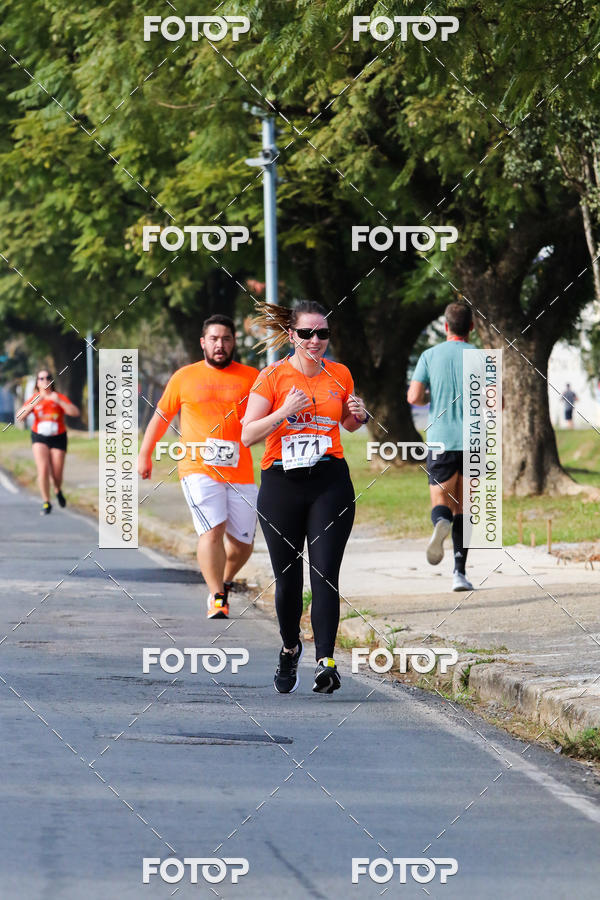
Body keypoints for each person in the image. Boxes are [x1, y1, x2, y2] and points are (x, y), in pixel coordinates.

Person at [242, 300, 368, 695]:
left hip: (329, 480)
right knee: (288, 580)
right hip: (282, 482)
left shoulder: (340, 373)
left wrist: (358, 415)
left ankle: (326, 661)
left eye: (323, 333)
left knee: (325, 573)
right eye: (308, 333)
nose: (316, 340)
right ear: (292, 335)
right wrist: (284, 411)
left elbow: (345, 424)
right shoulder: (272, 377)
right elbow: (247, 435)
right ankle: (290, 646)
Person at [137, 315, 259, 619]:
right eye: (214, 339)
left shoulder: (252, 377)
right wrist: (144, 454)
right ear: (203, 342)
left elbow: (267, 418)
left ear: (233, 342)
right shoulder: (184, 377)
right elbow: (162, 417)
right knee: (212, 529)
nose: (220, 345)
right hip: (197, 468)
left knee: (243, 544)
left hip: (240, 470)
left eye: (226, 339)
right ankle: (217, 596)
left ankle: (224, 581)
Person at [407, 302, 477, 592]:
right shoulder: (479, 356)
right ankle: (459, 573)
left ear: (446, 327)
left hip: (440, 438)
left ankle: (441, 522)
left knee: (441, 497)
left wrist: (429, 401)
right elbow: (496, 403)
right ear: (471, 328)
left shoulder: (429, 355)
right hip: (473, 438)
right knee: (465, 505)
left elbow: (414, 397)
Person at [15, 369, 80, 515]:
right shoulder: (35, 398)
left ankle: (57, 490)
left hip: (58, 437)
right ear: (37, 382)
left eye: (47, 378)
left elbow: (74, 412)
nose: (44, 381)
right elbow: (19, 416)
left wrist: (58, 401)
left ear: (51, 381)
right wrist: (32, 404)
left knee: (57, 473)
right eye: (41, 378)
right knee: (43, 469)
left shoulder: (58, 397)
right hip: (40, 437)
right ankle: (46, 502)